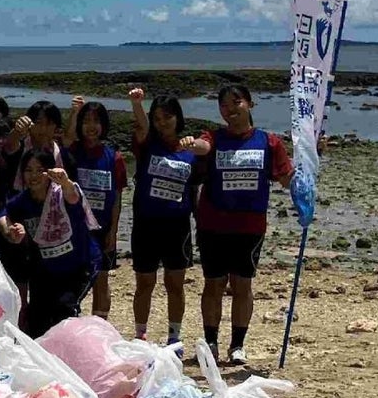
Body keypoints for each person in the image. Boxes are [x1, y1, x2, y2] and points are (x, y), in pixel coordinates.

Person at [193, 83, 293, 366]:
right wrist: (192, 145)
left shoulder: (269, 142)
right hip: (213, 225)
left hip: (249, 227)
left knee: (242, 285)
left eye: (236, 102)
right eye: (223, 105)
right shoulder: (213, 137)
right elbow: (203, 146)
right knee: (213, 284)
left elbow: (286, 178)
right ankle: (211, 341)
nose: (230, 110)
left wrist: (314, 158)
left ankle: (237, 345)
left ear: (250, 104)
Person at [0, 153, 99, 336]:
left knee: (64, 312)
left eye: (40, 170)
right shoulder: (22, 201)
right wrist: (10, 231)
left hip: (76, 266)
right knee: (37, 320)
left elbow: (73, 196)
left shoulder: (60, 194)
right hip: (45, 269)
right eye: (28, 170)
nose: (34, 175)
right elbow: (3, 213)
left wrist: (66, 182)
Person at [127, 87, 197, 346]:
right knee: (145, 283)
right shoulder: (147, 145)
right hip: (146, 224)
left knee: (175, 285)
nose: (162, 122)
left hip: (177, 227)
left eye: (167, 117)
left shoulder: (189, 150)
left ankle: (174, 337)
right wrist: (137, 103)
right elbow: (142, 126)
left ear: (177, 118)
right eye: (157, 118)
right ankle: (140, 335)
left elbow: (198, 186)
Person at [68, 100, 126, 320]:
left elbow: (117, 198)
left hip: (102, 229)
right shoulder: (72, 152)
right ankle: (71, 321)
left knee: (102, 279)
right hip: (76, 228)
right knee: (74, 278)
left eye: (96, 121)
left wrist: (113, 231)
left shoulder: (114, 157)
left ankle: (100, 325)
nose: (91, 126)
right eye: (86, 121)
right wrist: (74, 112)